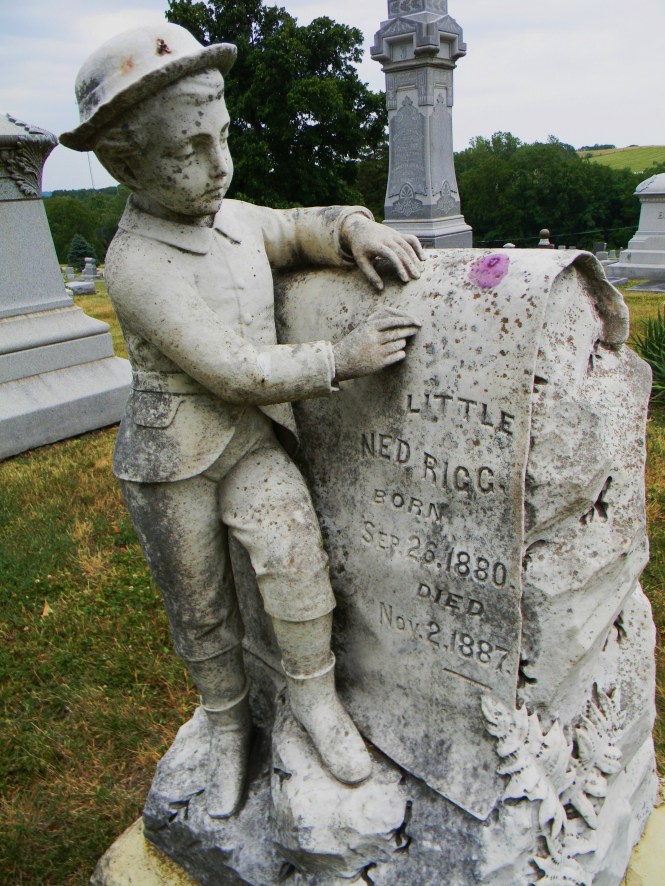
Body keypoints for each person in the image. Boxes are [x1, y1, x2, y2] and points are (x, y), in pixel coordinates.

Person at [60, 23, 424, 818]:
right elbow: (231, 368)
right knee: (201, 607)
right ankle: (227, 725)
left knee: (295, 558)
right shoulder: (135, 262)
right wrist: (341, 357)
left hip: (251, 442)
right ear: (124, 163)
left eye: (221, 136)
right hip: (172, 460)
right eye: (188, 149)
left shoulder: (233, 218)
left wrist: (351, 228)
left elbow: (292, 227)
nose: (218, 163)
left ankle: (316, 701)